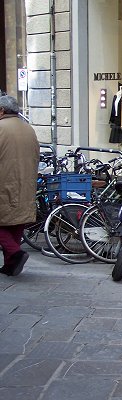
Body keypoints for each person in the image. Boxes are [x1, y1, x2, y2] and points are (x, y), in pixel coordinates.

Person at [0, 94, 39, 276]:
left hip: (5, 183)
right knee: (16, 223)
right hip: (26, 184)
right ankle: (10, 265)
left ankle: (15, 253)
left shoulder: (1, 128)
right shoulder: (28, 129)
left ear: (2, 110)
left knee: (4, 223)